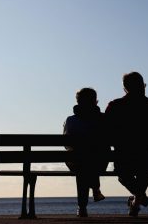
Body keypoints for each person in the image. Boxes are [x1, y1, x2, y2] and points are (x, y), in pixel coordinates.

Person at [105, 72, 148, 217]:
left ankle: (137, 200)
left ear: (125, 88)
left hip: (122, 156)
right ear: (143, 85)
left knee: (124, 175)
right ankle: (139, 199)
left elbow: (105, 130)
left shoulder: (115, 106)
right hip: (147, 156)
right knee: (144, 173)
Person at [63, 88, 109, 217]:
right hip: (99, 163)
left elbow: (66, 144)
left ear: (78, 102)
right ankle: (95, 189)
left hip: (77, 162)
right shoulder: (104, 118)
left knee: (82, 163)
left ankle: (82, 207)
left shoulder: (70, 120)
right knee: (90, 159)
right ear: (95, 101)